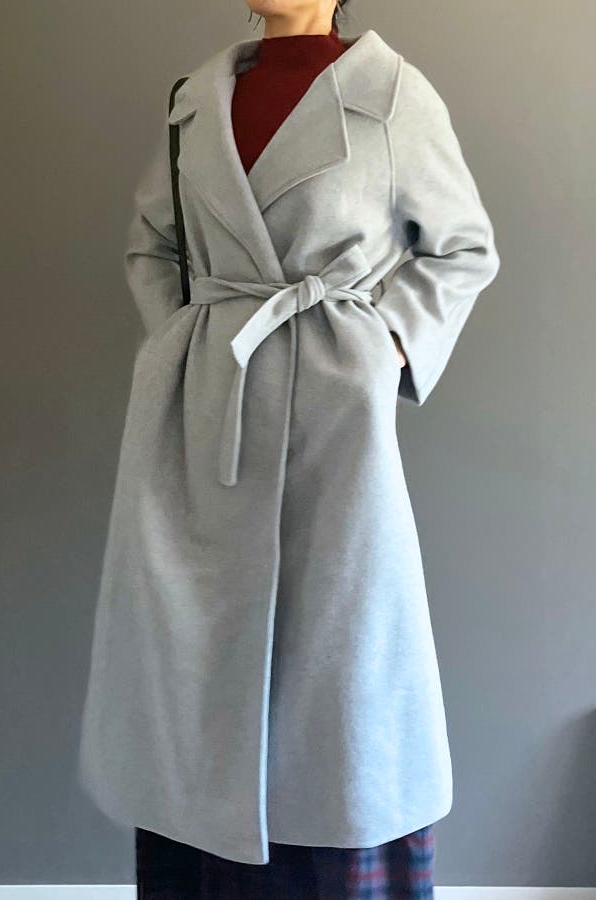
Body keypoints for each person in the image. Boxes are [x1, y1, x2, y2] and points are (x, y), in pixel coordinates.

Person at [78, 1, 500, 897]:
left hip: (332, 425)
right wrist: (187, 346)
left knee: (339, 669)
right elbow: (153, 245)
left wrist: (383, 350)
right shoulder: (195, 99)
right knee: (194, 654)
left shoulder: (392, 95)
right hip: (205, 411)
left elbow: (461, 249)